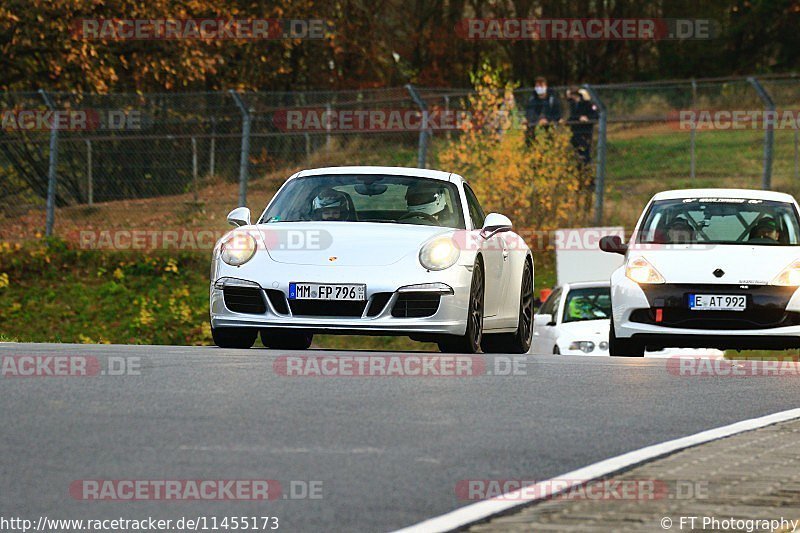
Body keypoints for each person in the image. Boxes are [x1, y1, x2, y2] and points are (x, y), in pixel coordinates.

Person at [566, 86, 598, 166]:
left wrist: (587, 118)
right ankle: (582, 166)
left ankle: (587, 167)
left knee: (585, 150)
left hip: (585, 131)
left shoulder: (587, 103)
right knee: (578, 150)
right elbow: (573, 116)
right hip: (575, 131)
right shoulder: (573, 104)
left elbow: (595, 115)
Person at [525, 76, 561, 143]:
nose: (539, 88)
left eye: (541, 86)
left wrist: (548, 119)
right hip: (535, 126)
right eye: (537, 86)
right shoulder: (532, 99)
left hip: (550, 126)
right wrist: (535, 120)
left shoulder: (552, 99)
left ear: (545, 86)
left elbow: (557, 114)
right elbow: (530, 112)